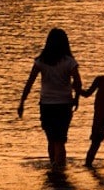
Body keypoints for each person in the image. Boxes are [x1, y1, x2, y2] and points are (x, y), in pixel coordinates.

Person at [17, 27, 82, 171]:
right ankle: (60, 171)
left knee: (51, 140)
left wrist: (22, 102)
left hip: (46, 105)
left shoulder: (41, 61)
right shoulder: (69, 62)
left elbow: (30, 82)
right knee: (60, 140)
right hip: (64, 105)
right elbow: (78, 82)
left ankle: (54, 170)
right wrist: (77, 98)